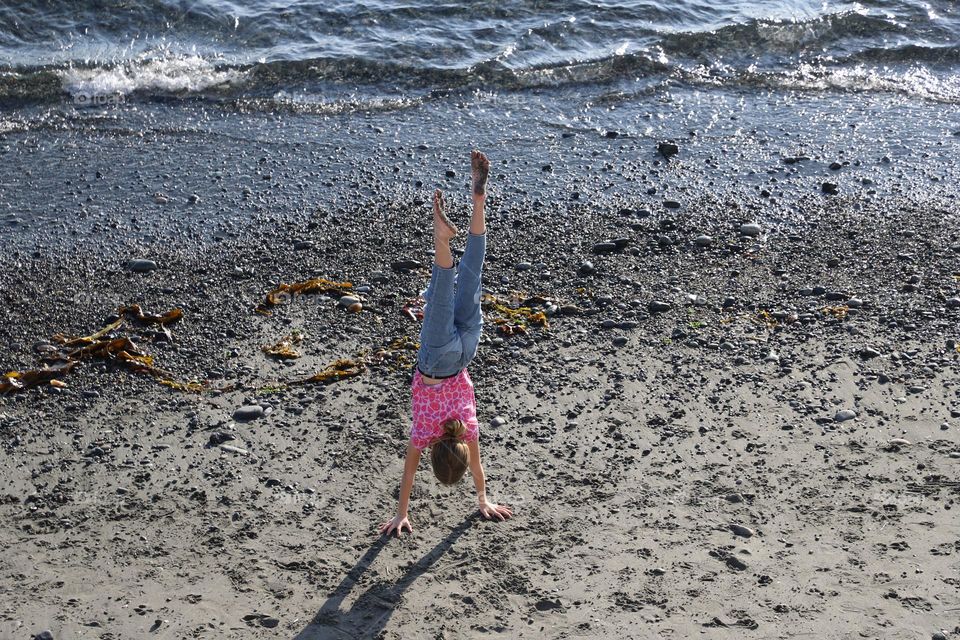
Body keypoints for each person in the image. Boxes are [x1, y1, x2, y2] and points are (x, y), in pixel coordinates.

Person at [379, 150, 513, 538]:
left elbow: (478, 468)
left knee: (472, 272)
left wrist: (483, 498)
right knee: (441, 288)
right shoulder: (423, 433)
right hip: (436, 360)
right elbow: (408, 471)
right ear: (434, 455)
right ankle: (440, 236)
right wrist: (401, 513)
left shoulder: (467, 428)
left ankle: (478, 198)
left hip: (467, 350)